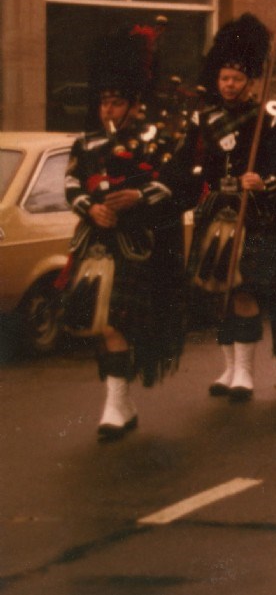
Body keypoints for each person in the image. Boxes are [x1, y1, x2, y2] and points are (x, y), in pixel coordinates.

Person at [168, 14, 276, 403]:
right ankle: (227, 368)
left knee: (244, 293)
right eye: (224, 79)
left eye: (237, 79)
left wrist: (263, 180)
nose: (230, 85)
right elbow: (186, 167)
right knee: (220, 297)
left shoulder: (268, 121)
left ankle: (245, 373)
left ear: (251, 81)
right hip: (215, 215)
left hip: (255, 218)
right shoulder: (204, 119)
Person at [60, 25, 186, 441]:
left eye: (116, 103)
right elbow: (71, 185)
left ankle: (114, 406)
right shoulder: (85, 143)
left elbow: (172, 182)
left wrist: (137, 196)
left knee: (114, 323)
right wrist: (90, 207)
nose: (108, 110)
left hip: (134, 247)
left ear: (133, 105)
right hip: (94, 242)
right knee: (97, 325)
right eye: (104, 102)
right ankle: (122, 402)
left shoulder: (155, 141)